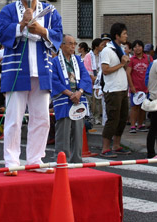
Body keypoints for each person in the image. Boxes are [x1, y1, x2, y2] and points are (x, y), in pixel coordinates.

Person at [0, 0, 63, 175]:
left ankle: (36, 159)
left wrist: (43, 31)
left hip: (42, 71)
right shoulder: (8, 11)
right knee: (14, 118)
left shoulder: (51, 12)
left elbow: (58, 36)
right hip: (17, 69)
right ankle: (11, 161)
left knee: (41, 117)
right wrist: (21, 25)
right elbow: (2, 33)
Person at [51, 34, 92, 163]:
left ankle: (76, 160)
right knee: (63, 132)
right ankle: (62, 161)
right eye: (70, 43)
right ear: (62, 45)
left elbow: (85, 77)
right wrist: (70, 94)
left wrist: (79, 92)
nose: (73, 46)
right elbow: (54, 81)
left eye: (74, 43)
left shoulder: (78, 61)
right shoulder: (55, 62)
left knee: (78, 133)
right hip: (64, 99)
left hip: (78, 99)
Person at [99, 23, 130, 158]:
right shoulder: (107, 50)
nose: (126, 36)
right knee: (113, 118)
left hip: (122, 88)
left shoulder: (120, 49)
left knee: (122, 118)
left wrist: (124, 63)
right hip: (112, 90)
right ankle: (105, 148)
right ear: (117, 36)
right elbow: (105, 70)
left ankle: (116, 145)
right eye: (124, 34)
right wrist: (122, 64)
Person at [127, 40, 152, 133]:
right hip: (135, 88)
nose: (137, 48)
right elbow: (128, 73)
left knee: (143, 107)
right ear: (133, 49)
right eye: (135, 46)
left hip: (146, 87)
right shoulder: (132, 60)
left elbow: (152, 71)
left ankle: (140, 124)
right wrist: (131, 86)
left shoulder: (148, 58)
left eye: (139, 46)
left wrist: (150, 85)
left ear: (142, 47)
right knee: (134, 107)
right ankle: (133, 125)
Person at [83, 38, 103, 125]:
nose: (103, 46)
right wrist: (93, 77)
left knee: (98, 100)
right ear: (96, 46)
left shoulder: (102, 55)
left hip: (100, 79)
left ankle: (97, 117)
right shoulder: (88, 56)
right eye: (101, 45)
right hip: (91, 81)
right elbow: (86, 69)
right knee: (91, 101)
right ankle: (92, 116)